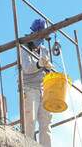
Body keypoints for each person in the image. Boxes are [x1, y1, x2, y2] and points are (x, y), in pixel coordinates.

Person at [21, 19, 53, 147]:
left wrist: (49, 68)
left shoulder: (44, 50)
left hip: (42, 88)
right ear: (33, 33)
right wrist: (39, 64)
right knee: (30, 121)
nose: (40, 39)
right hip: (29, 88)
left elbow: (47, 71)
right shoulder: (24, 47)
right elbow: (27, 68)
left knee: (46, 123)